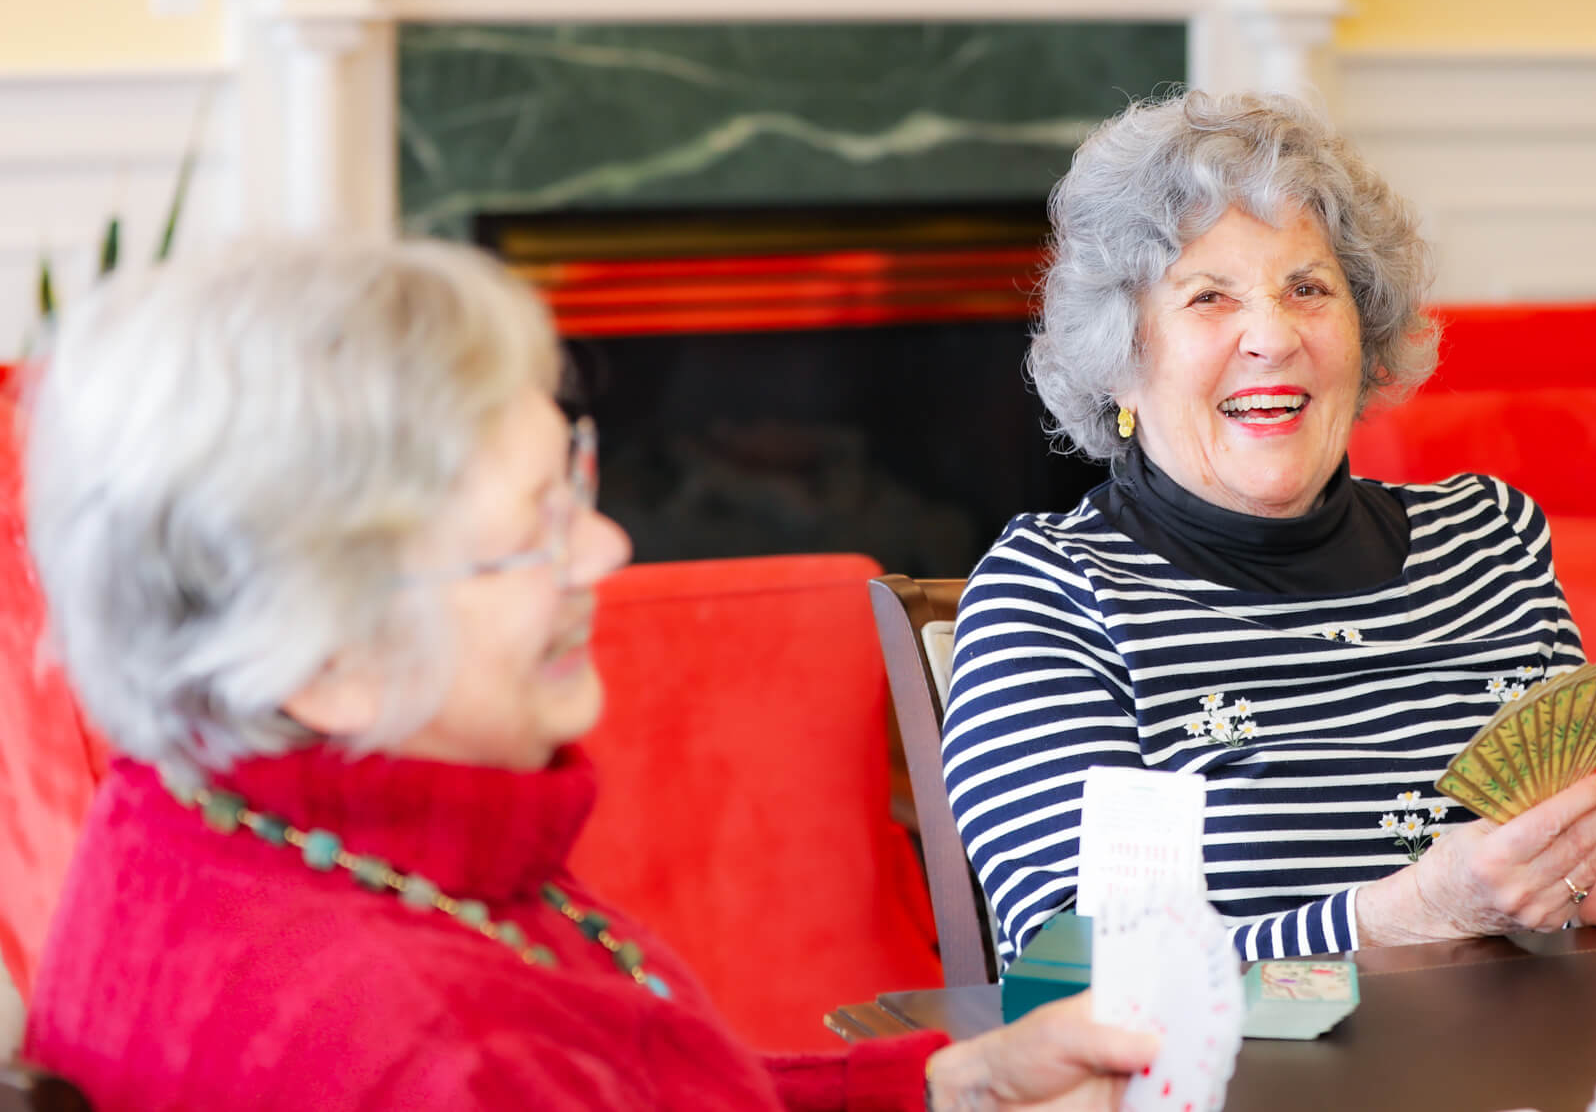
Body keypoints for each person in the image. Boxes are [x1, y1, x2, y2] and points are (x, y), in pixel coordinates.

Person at [19, 238, 1155, 1112]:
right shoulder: (424, 1048)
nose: (607, 549)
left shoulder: (190, 815)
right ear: (323, 654)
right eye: (533, 528)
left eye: (574, 474)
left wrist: (944, 1082)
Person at [941, 91, 1596, 965]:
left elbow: (1530, 876)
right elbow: (1078, 973)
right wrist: (1399, 917)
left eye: (1309, 288)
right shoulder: (1057, 599)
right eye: (1210, 296)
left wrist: (1589, 883)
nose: (1271, 337)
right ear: (1122, 361)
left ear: (1365, 339)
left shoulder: (1490, 544)